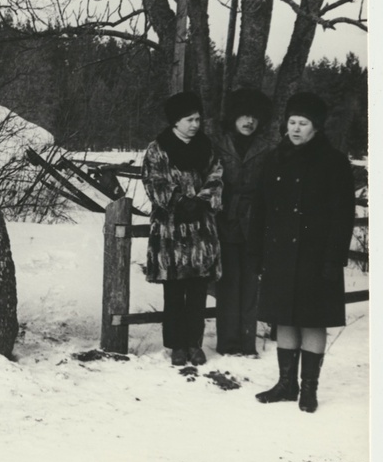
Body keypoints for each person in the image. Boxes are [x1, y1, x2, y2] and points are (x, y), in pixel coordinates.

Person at [249, 92, 355, 413]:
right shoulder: (273, 158)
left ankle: (309, 388)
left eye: (303, 123)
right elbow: (260, 209)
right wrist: (258, 254)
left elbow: (343, 215)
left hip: (316, 257)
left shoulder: (334, 162)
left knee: (312, 321)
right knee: (285, 319)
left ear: (316, 127)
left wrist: (332, 259)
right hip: (279, 255)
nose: (295, 129)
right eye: (291, 122)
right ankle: (286, 384)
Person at [142, 91, 223, 366]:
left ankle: (194, 344)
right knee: (175, 290)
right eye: (190, 119)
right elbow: (153, 181)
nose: (195, 124)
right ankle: (177, 345)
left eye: (198, 119)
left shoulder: (206, 147)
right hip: (171, 231)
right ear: (176, 121)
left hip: (200, 230)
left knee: (198, 288)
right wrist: (177, 201)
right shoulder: (158, 148)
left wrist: (201, 202)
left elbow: (216, 176)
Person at [213, 88, 274, 355]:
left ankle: (248, 343)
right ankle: (228, 343)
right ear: (233, 117)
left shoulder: (268, 149)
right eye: (244, 115)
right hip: (224, 220)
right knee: (228, 283)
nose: (249, 121)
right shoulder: (218, 145)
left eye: (254, 117)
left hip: (255, 223)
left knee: (251, 283)